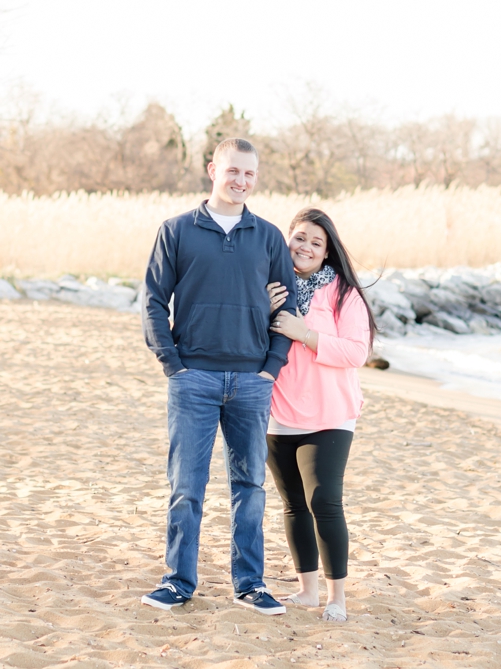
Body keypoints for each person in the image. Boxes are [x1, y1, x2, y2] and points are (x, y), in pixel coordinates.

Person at [139, 138, 299, 615]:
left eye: (249, 174)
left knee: (249, 488)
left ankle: (250, 583)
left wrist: (271, 368)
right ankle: (178, 582)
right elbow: (151, 300)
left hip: (251, 381)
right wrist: (173, 363)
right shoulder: (177, 230)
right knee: (186, 487)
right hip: (194, 379)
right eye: (233, 171)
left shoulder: (269, 236)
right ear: (213, 169)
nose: (241, 181)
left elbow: (288, 307)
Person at [263, 207, 375, 622]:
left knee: (324, 500)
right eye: (300, 238)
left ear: (327, 252)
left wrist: (305, 333)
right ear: (286, 240)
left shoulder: (343, 293)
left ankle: (336, 598)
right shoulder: (270, 285)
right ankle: (306, 591)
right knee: (293, 504)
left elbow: (355, 352)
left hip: (331, 413)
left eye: (316, 242)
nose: (306, 247)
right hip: (279, 410)